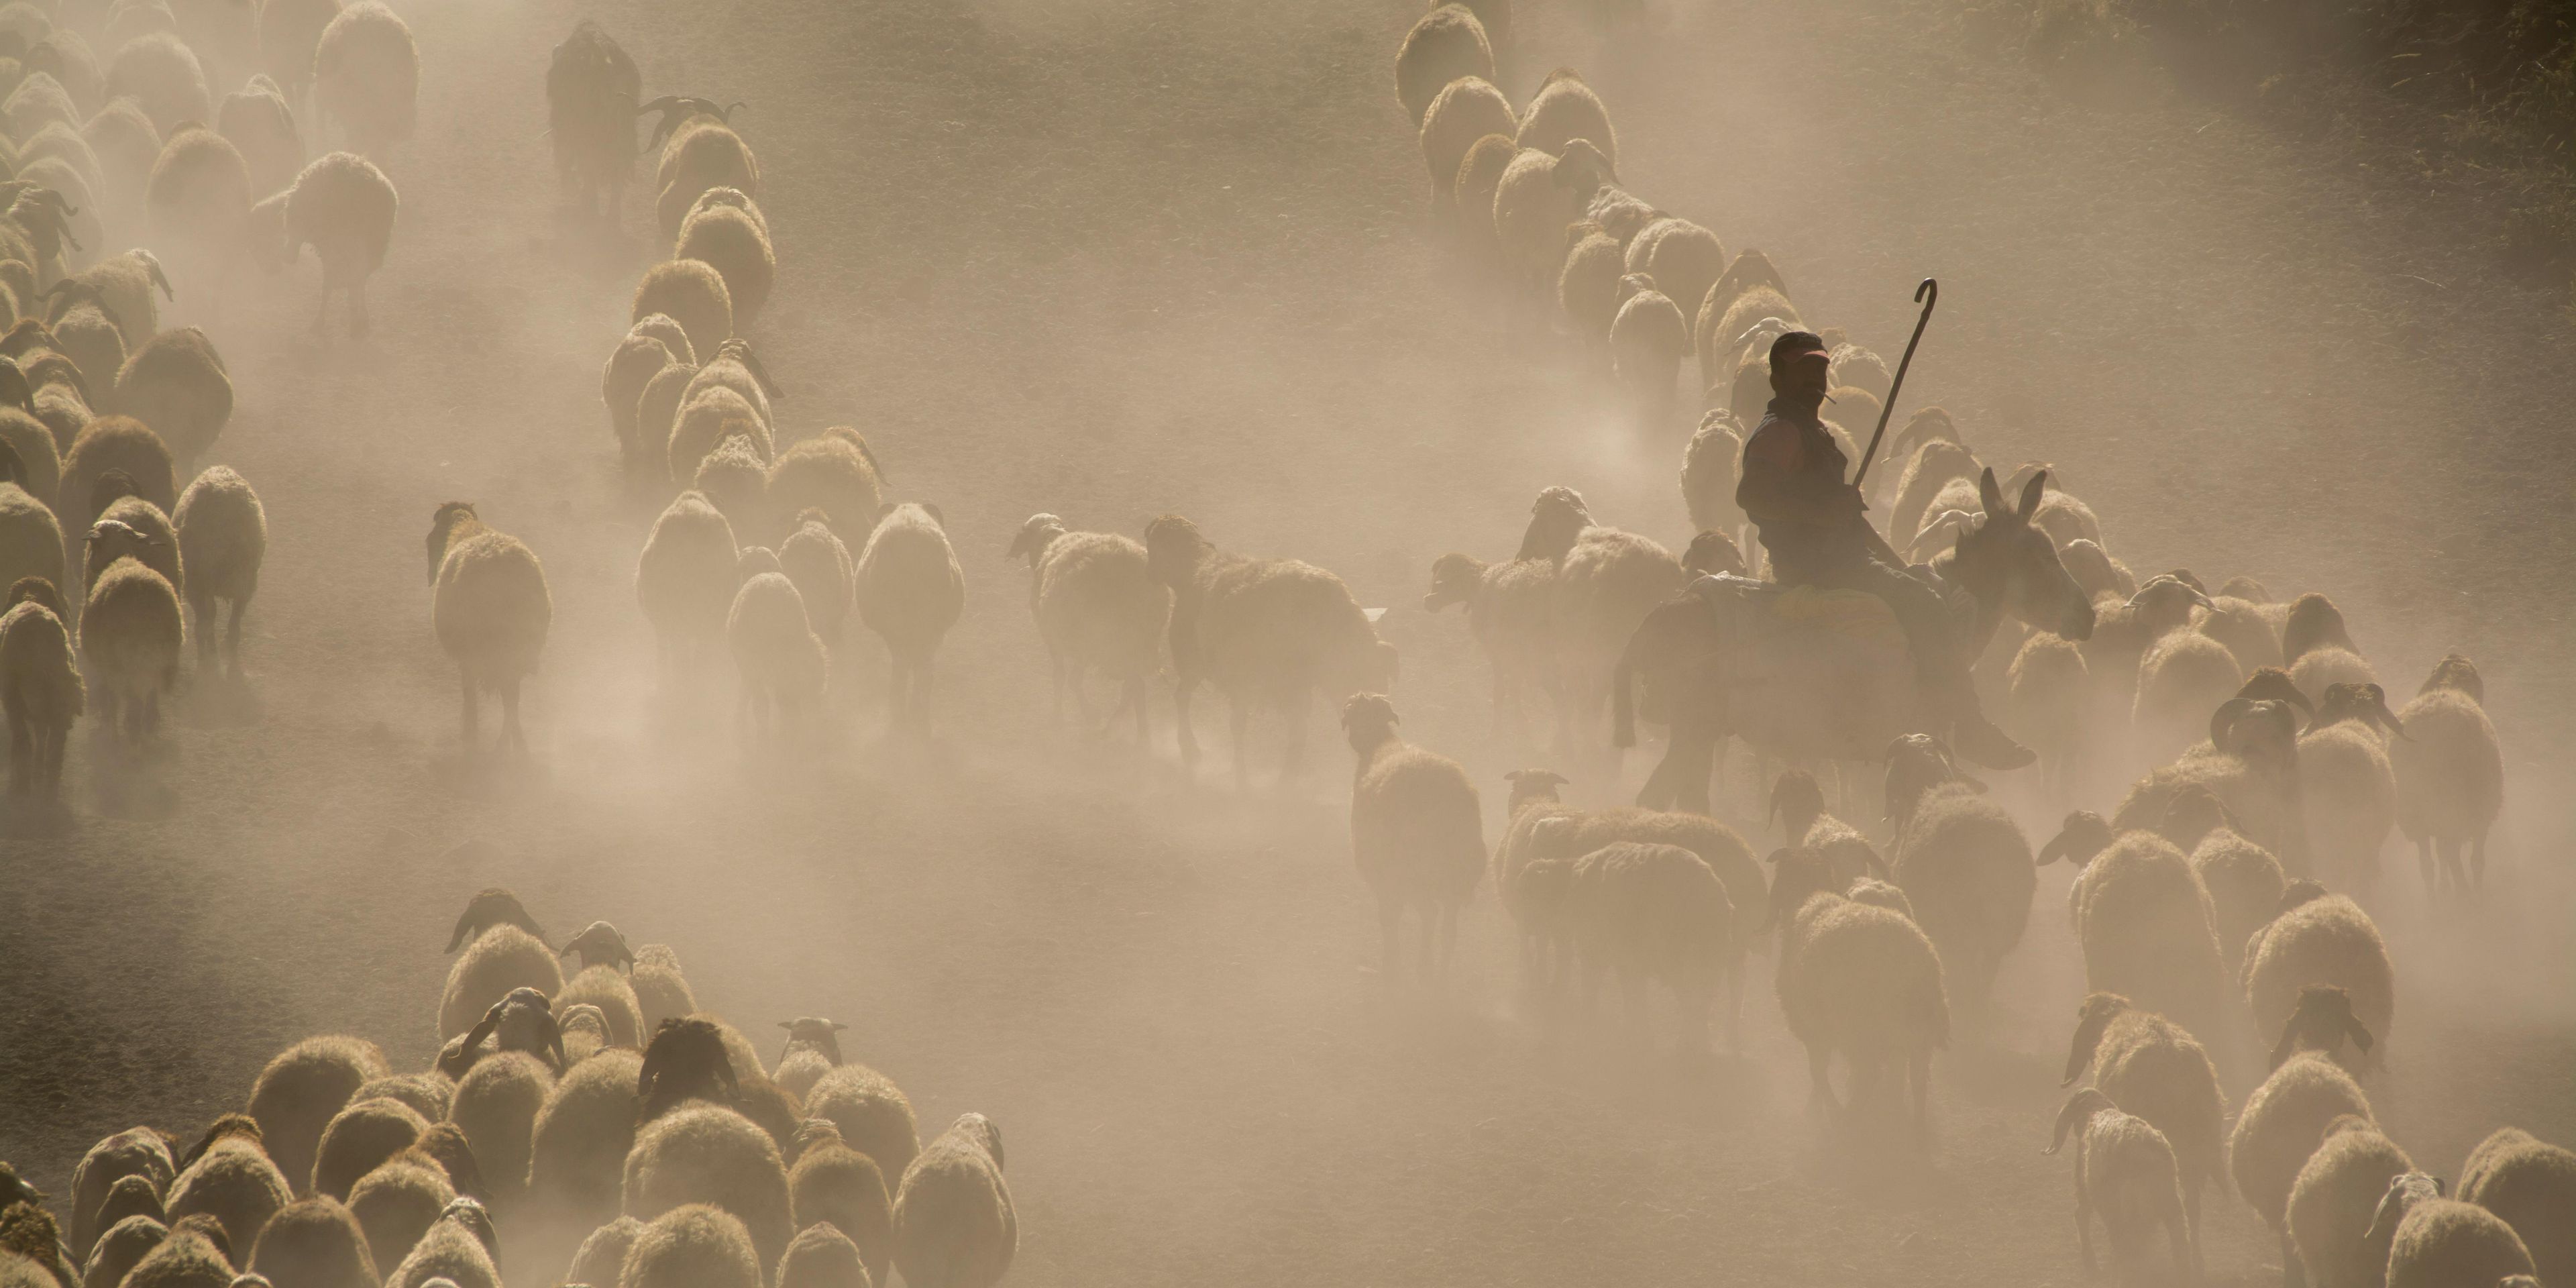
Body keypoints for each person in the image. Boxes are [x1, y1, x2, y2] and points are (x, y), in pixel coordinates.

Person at [1733, 329, 2035, 769]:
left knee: (1926, 584)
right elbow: (1752, 496)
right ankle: (1968, 728)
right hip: (1817, 568)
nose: (1815, 380)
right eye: (1804, 371)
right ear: (1778, 378)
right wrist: (1824, 512)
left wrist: (1900, 566)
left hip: (1844, 559)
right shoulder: (1780, 433)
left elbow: (1849, 521)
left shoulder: (1807, 430)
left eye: (1821, 370)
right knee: (1927, 606)